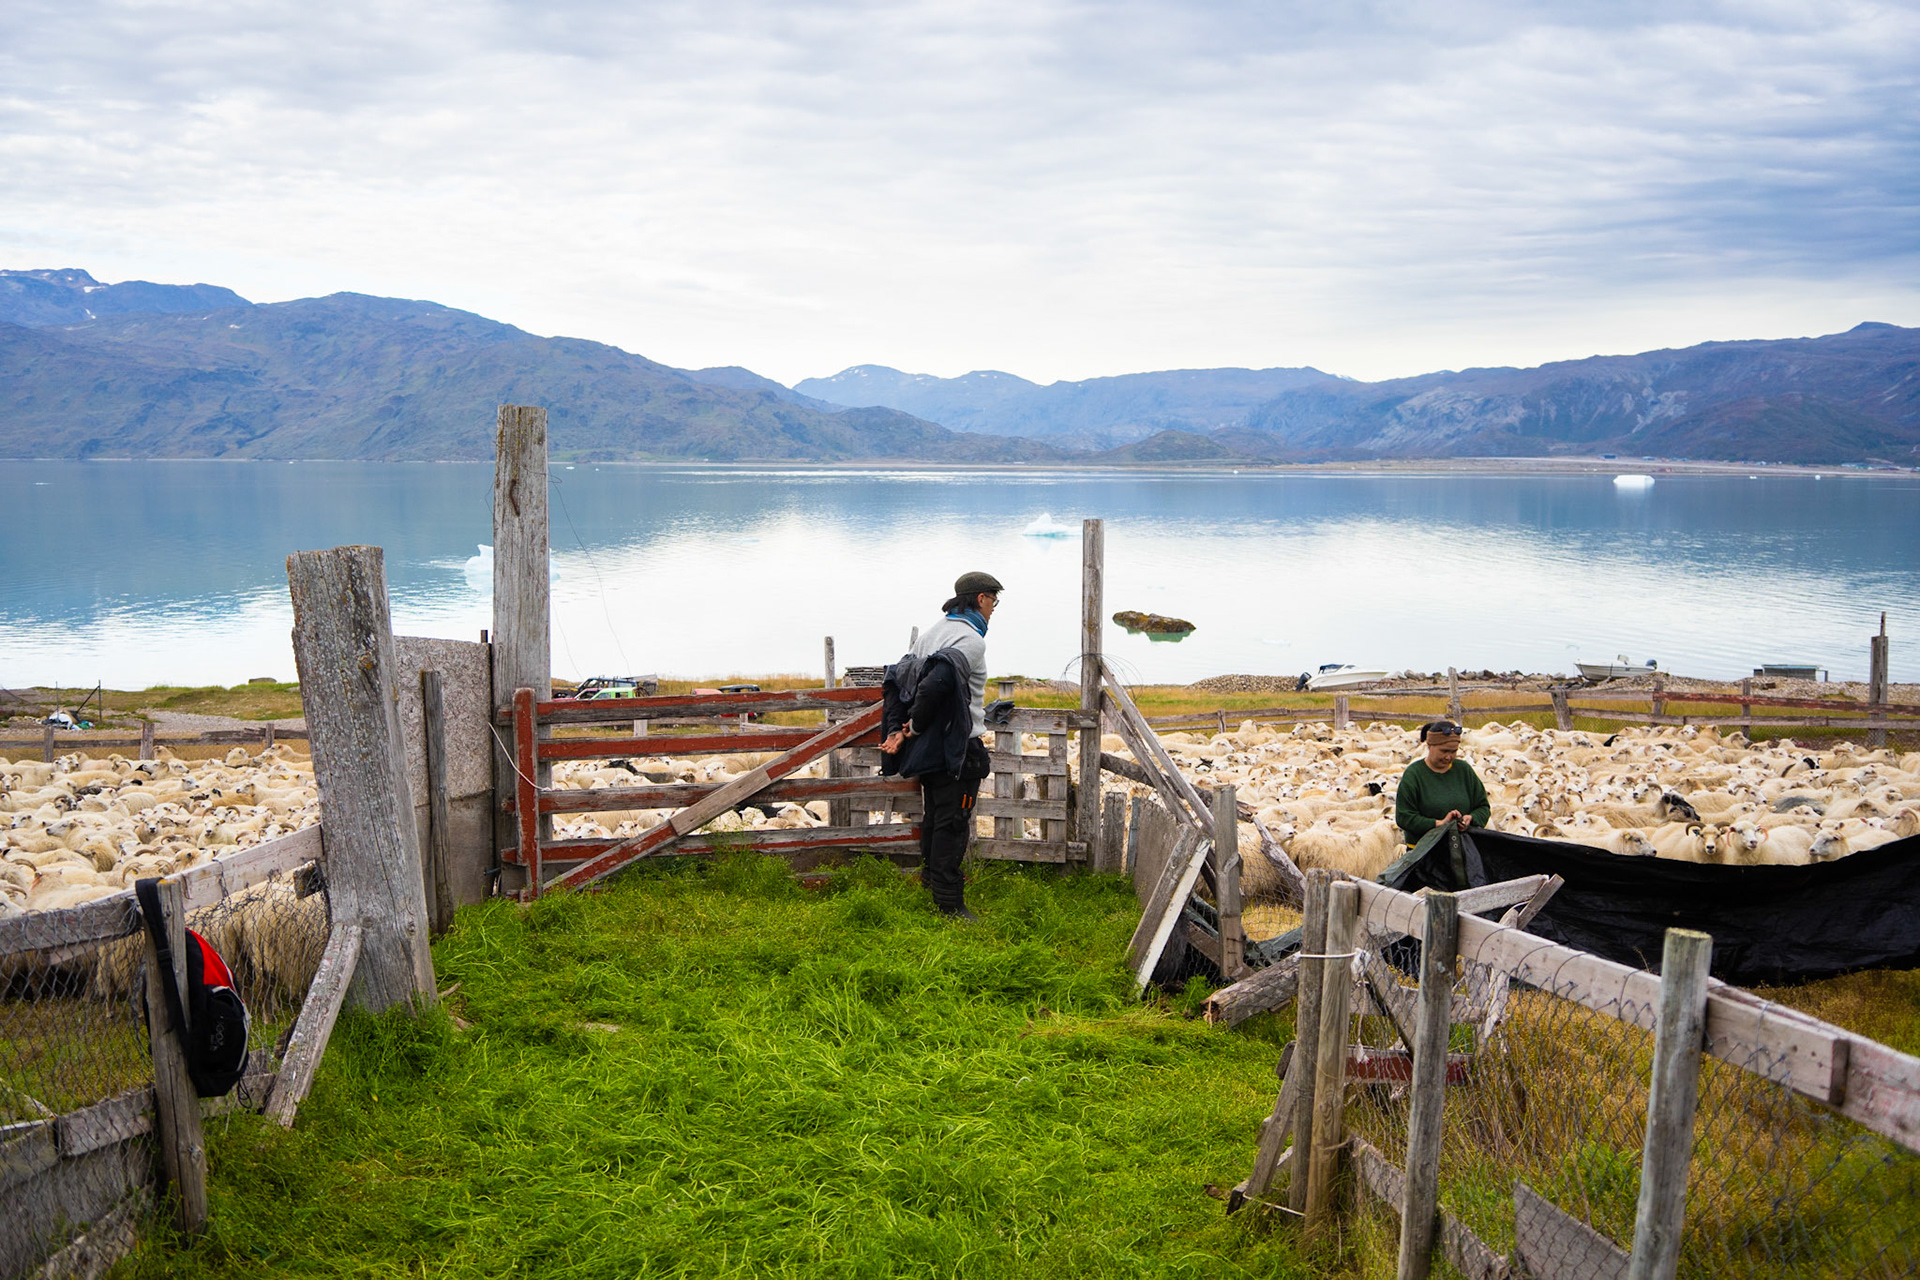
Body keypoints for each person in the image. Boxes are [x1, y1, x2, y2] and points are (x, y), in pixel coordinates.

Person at [879, 572, 1002, 920]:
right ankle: (949, 905)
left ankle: (930, 886)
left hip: (928, 750)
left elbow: (897, 681)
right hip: (956, 748)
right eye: (994, 601)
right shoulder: (970, 641)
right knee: (953, 822)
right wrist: (913, 726)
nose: (994, 609)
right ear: (981, 598)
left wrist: (898, 730)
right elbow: (936, 685)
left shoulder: (932, 633)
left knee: (935, 816)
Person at [1394, 720, 1490, 845]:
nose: (1448, 757)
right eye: (1444, 751)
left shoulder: (1463, 770)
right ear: (1429, 746)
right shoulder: (1414, 774)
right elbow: (1404, 817)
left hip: (1462, 850)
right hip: (1423, 854)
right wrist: (1439, 824)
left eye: (1453, 751)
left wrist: (1471, 819)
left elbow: (1483, 807)